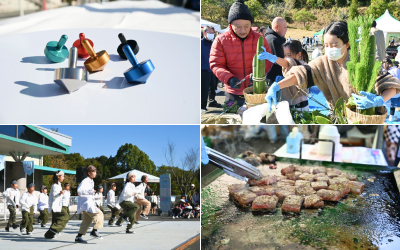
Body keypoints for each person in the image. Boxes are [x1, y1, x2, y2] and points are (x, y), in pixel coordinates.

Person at [264, 21, 400, 112]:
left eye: (334, 45)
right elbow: (301, 74)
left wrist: (379, 100)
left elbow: (390, 85)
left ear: (347, 44)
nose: (329, 49)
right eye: (326, 45)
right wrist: (277, 86)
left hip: (366, 118)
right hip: (338, 117)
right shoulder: (322, 62)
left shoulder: (362, 62)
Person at [210, 0, 273, 106]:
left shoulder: (260, 38)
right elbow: (216, 64)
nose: (242, 30)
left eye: (246, 26)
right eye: (238, 26)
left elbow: (268, 60)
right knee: (233, 120)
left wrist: (259, 75)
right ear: (230, 25)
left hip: (255, 90)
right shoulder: (221, 40)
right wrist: (228, 78)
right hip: (233, 92)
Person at [259, 40, 309, 111]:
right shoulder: (291, 66)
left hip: (300, 105)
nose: (287, 58)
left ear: (299, 54)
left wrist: (272, 57)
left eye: (289, 55)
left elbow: (288, 63)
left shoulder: (301, 65)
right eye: (285, 55)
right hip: (288, 103)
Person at [75, 165, 104, 243]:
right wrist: (89, 191)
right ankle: (95, 231)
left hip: (88, 204)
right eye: (93, 172)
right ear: (89, 173)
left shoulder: (91, 181)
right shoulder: (85, 181)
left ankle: (78, 237)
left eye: (95, 172)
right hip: (86, 204)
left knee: (87, 221)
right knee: (99, 214)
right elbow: (79, 190)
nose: (95, 173)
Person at [44, 170, 69, 239]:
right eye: (63, 176)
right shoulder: (55, 185)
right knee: (65, 216)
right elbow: (55, 195)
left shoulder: (59, 185)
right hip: (56, 206)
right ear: (58, 176)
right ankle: (55, 229)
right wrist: (60, 193)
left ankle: (49, 234)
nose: (63, 178)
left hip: (57, 205)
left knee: (55, 220)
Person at [265, 17, 288, 86]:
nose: (286, 29)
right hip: (274, 79)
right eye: (285, 27)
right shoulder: (273, 40)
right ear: (277, 27)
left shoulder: (277, 38)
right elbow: (278, 61)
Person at [201, 25, 220, 110]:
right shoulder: (200, 43)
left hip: (213, 69)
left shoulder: (213, 43)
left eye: (213, 33)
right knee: (204, 89)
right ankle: (202, 106)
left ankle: (212, 101)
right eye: (210, 32)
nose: (212, 34)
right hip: (203, 70)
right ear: (204, 32)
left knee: (213, 87)